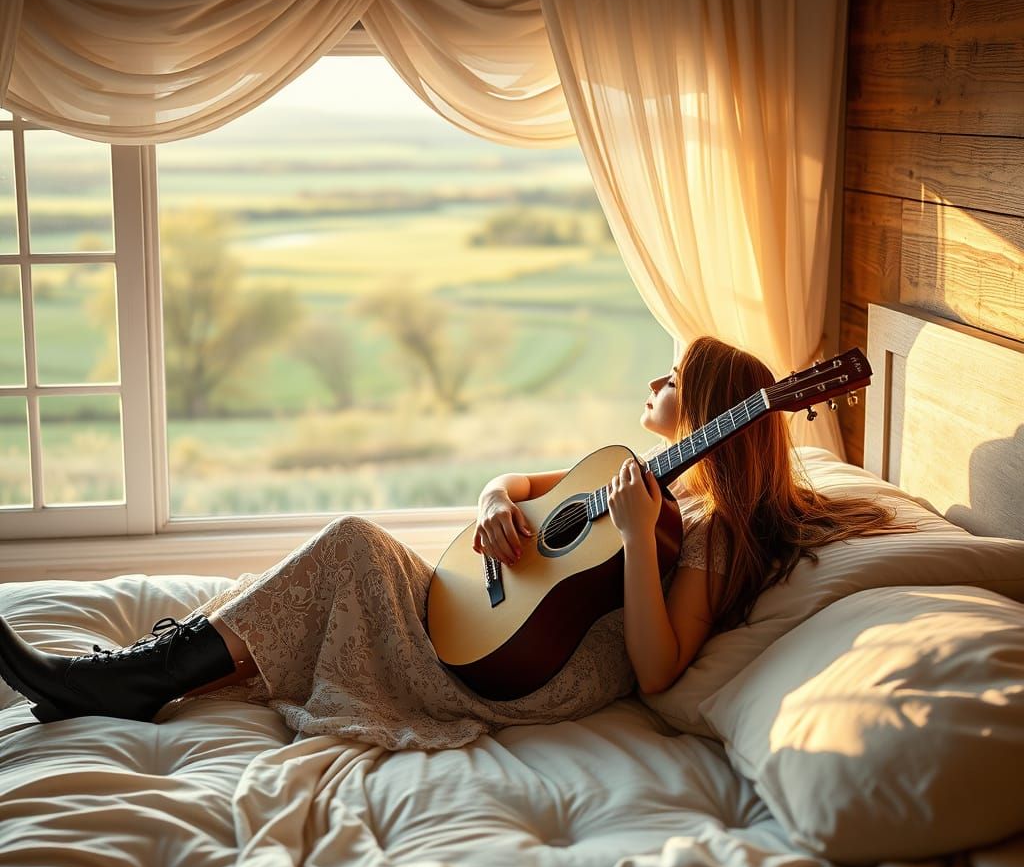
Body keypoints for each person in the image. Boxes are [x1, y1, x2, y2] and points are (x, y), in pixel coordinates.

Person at [0, 336, 898, 749]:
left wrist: (631, 541)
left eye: (673, 374)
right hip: (493, 618)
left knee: (350, 543)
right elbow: (516, 489)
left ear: (704, 411)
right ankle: (140, 675)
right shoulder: (632, 468)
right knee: (350, 555)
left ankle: (135, 679)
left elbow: (658, 672)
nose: (655, 378)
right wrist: (490, 506)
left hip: (536, 673)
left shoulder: (704, 535)